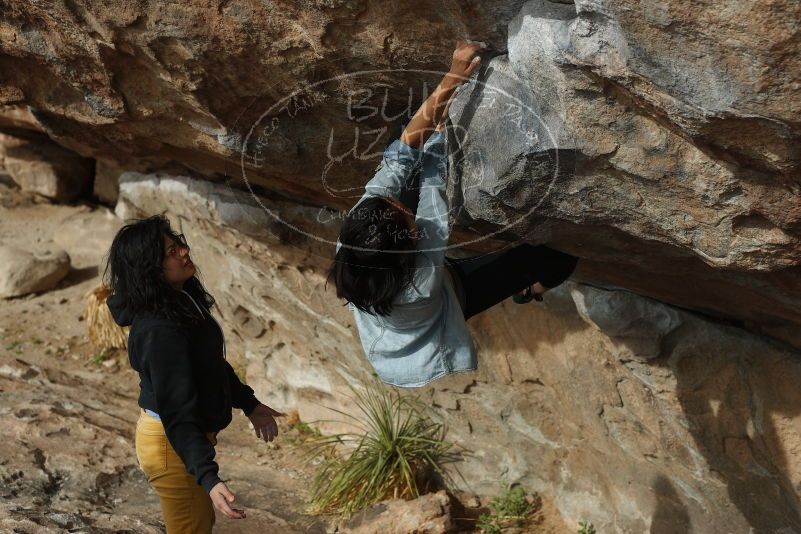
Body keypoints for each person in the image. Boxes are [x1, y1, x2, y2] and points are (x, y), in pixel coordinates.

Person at [329, 40, 578, 388]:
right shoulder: (422, 283)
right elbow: (434, 195)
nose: (402, 205)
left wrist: (453, 76)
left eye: (394, 204)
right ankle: (531, 288)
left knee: (410, 139)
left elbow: (399, 156)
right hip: (445, 302)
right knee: (558, 259)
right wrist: (438, 142)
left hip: (393, 292)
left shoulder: (355, 238)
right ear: (410, 244)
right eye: (405, 216)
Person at [106, 215, 285, 533]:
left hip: (179, 439)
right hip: (170, 443)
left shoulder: (179, 299)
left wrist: (249, 403)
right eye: (171, 251)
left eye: (179, 244)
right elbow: (177, 411)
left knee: (199, 523)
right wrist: (208, 476)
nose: (184, 251)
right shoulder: (160, 329)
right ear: (151, 268)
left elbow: (208, 365)